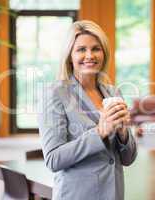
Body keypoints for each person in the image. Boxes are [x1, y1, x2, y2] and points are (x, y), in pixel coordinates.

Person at [38, 20, 137, 200]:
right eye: (81, 49)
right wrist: (100, 132)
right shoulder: (55, 94)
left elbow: (128, 159)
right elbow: (53, 159)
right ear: (70, 55)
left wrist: (123, 133)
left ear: (104, 53)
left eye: (96, 49)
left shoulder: (113, 92)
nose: (89, 55)